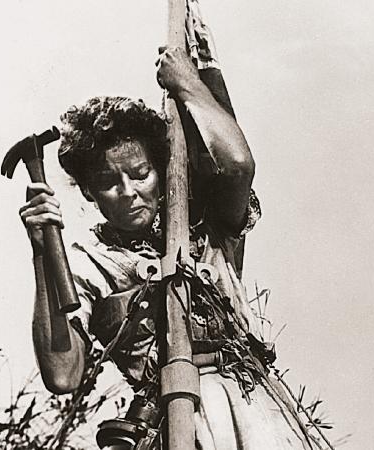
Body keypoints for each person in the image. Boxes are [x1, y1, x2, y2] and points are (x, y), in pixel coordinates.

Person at [19, 47, 321, 449]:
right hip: (168, 422)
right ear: (89, 192)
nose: (128, 192)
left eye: (141, 174)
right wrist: (42, 254)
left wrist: (188, 83)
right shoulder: (88, 262)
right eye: (109, 182)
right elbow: (62, 376)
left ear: (160, 173)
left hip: (255, 412)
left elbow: (237, 166)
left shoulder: (204, 226)